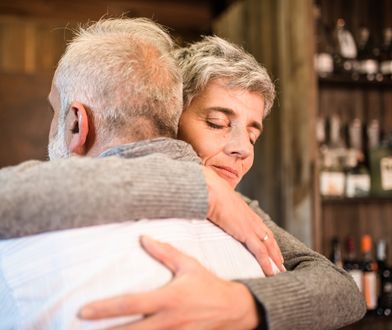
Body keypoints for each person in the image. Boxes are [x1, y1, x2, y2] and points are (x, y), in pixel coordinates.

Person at [0, 20, 365, 330]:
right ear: (171, 115)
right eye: (217, 122)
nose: (244, 148)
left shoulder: (241, 212)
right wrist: (193, 186)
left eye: (255, 134)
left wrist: (243, 303)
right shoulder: (205, 193)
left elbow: (342, 289)